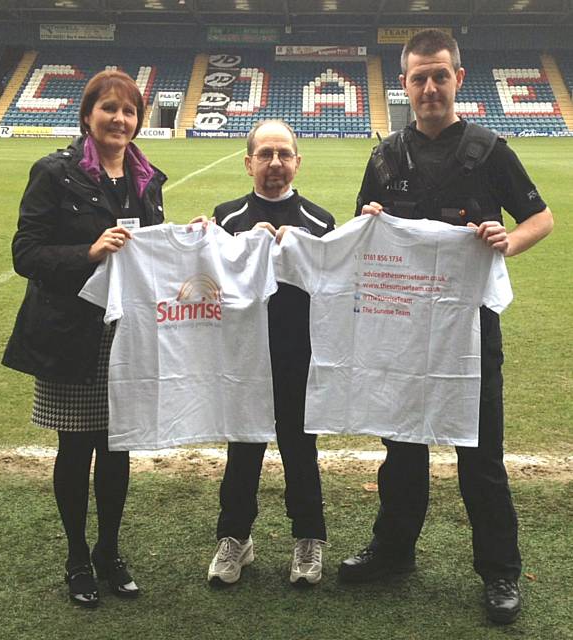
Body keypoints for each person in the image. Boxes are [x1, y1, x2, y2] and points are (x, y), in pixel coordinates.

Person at [337, 29, 553, 625]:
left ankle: (501, 570)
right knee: (400, 444)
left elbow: (541, 216)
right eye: (417, 78)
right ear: (404, 85)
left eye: (439, 75)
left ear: (459, 78)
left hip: (470, 329)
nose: (429, 87)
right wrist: (370, 218)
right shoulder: (384, 155)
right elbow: (363, 225)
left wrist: (509, 241)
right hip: (401, 330)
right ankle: (394, 551)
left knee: (480, 455)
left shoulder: (489, 149)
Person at [2, 70, 167, 608]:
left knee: (116, 450)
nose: (120, 120)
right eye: (109, 109)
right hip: (71, 334)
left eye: (129, 112)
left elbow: (152, 252)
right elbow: (25, 253)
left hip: (127, 335)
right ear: (88, 114)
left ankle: (109, 551)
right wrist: (88, 253)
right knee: (75, 450)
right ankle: (77, 556)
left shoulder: (148, 178)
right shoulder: (54, 172)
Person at [205, 120, 335, 585]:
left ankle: (308, 538)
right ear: (248, 162)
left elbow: (336, 289)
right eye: (265, 154)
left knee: (301, 449)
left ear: (298, 162)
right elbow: (205, 285)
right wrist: (224, 243)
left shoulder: (320, 223)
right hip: (243, 358)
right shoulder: (225, 220)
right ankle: (235, 537)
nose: (275, 163)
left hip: (299, 357)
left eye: (284, 154)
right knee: (243, 447)